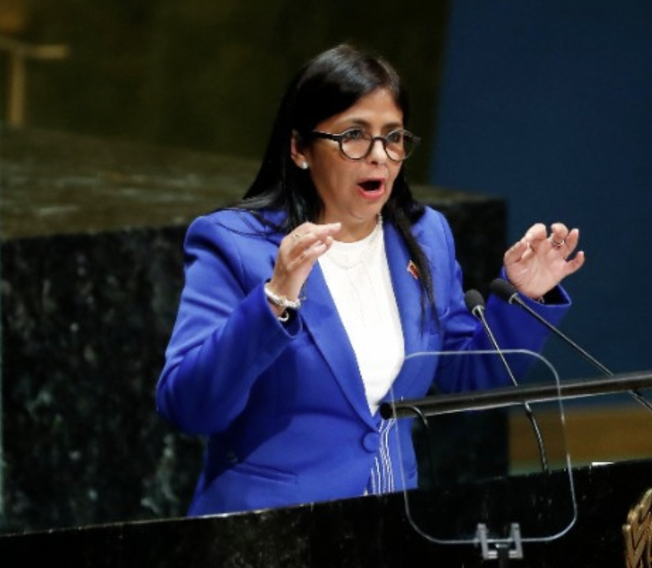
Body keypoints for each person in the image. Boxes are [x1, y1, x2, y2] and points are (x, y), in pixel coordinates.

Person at [155, 44, 585, 516]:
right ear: (299, 149)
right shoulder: (236, 244)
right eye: (354, 135)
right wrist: (274, 300)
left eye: (393, 137)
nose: (379, 156)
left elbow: (465, 380)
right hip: (270, 527)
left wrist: (524, 297)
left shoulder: (425, 235)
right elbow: (189, 407)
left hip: (392, 521)